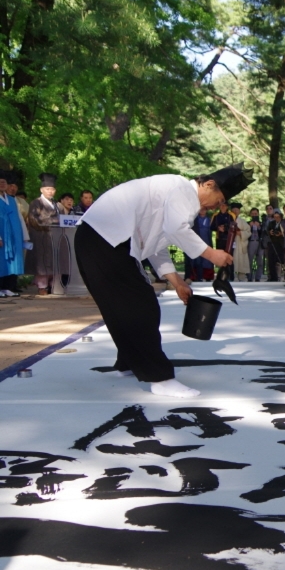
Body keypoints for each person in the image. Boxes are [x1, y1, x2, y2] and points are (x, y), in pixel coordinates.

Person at [75, 163, 251, 399]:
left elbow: (157, 245)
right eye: (218, 199)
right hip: (106, 237)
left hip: (97, 238)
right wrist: (212, 254)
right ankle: (159, 378)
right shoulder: (181, 190)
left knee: (120, 306)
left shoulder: (173, 196)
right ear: (208, 184)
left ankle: (128, 361)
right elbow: (175, 229)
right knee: (142, 305)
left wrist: (177, 281)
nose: (215, 206)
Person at [25, 172, 60, 296]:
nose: (50, 192)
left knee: (54, 261)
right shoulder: (36, 203)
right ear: (42, 189)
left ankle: (53, 285)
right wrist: (53, 221)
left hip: (54, 236)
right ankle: (42, 286)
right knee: (42, 263)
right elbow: (33, 220)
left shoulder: (56, 204)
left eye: (52, 189)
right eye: (48, 189)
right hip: (41, 236)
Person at [0, 170, 28, 297]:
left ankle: (8, 287)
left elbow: (20, 218)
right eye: (0, 182)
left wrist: (24, 236)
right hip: (2, 233)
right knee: (1, 261)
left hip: (14, 234)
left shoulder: (12, 200)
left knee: (13, 261)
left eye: (4, 182)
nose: (2, 184)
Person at [191, 205, 214, 281]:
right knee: (197, 260)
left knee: (207, 260)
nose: (202, 211)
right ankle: (197, 276)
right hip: (197, 241)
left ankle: (207, 276)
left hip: (206, 240)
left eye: (204, 209)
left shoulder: (209, 219)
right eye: (201, 209)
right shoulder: (194, 219)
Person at [245, 207, 265, 281]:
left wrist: (259, 226)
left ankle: (258, 277)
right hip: (251, 242)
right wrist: (249, 227)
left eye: (256, 214)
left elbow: (264, 233)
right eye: (253, 214)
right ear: (250, 214)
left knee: (260, 261)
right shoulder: (247, 223)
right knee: (249, 260)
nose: (254, 215)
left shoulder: (261, 223)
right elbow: (245, 233)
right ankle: (249, 277)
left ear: (258, 214)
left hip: (259, 242)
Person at [266, 210, 285, 282]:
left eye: (278, 217)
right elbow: (267, 231)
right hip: (272, 243)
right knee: (271, 261)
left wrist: (280, 234)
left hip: (280, 244)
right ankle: (273, 277)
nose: (276, 218)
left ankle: (281, 276)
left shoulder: (283, 223)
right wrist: (270, 232)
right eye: (275, 217)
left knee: (280, 260)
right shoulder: (271, 223)